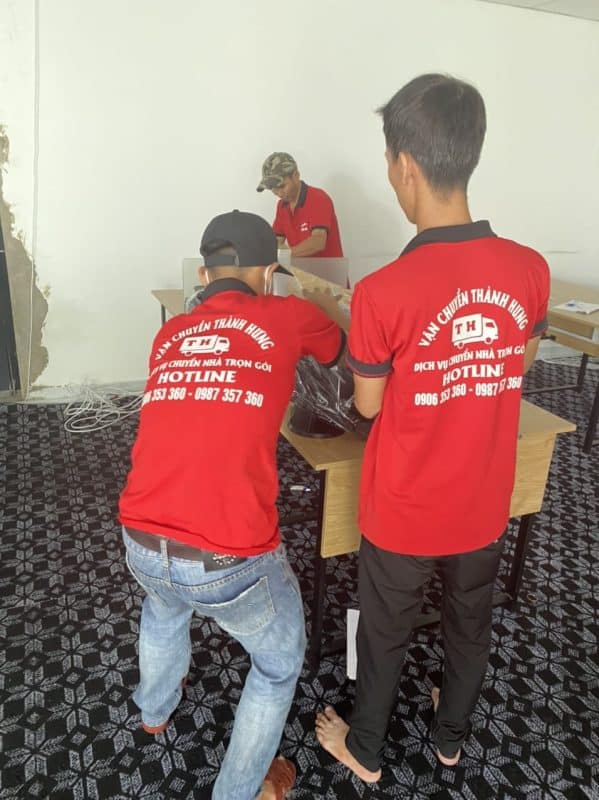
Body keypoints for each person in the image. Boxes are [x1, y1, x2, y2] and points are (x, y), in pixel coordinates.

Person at [313, 74, 550, 781]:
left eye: (388, 160)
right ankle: (451, 736)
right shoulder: (529, 269)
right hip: (482, 499)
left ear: (406, 166)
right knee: (470, 619)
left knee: (385, 630)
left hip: (405, 507)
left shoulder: (383, 291)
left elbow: (367, 406)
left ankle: (365, 749)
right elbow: (518, 361)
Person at [119, 210, 345, 800]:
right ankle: (242, 791)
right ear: (269, 273)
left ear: (203, 274)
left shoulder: (170, 333)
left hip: (139, 539)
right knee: (277, 662)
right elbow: (335, 349)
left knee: (163, 606)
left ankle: (154, 710)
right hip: (228, 563)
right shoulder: (286, 314)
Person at [257, 152, 344, 259]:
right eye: (273, 189)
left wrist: (283, 255)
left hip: (328, 270)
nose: (279, 193)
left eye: (282, 186)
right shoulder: (282, 206)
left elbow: (318, 242)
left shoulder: (318, 198)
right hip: (300, 270)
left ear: (296, 176)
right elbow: (275, 242)